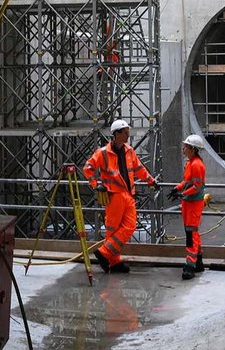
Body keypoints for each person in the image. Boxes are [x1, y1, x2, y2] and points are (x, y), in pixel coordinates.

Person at [83, 119, 159, 273]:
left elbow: (139, 169)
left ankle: (104, 253)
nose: (127, 136)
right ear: (116, 134)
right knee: (113, 229)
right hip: (114, 196)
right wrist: (95, 184)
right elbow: (88, 167)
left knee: (129, 226)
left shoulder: (129, 151)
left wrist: (151, 180)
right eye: (125, 133)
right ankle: (114, 261)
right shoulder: (103, 153)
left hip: (127, 194)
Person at [167, 134, 206, 280]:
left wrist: (182, 194)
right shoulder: (191, 163)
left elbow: (197, 186)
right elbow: (186, 181)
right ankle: (199, 262)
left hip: (193, 204)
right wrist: (177, 189)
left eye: (186, 147)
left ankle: (190, 266)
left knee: (191, 235)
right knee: (192, 232)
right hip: (189, 203)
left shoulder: (196, 165)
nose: (183, 149)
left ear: (192, 149)